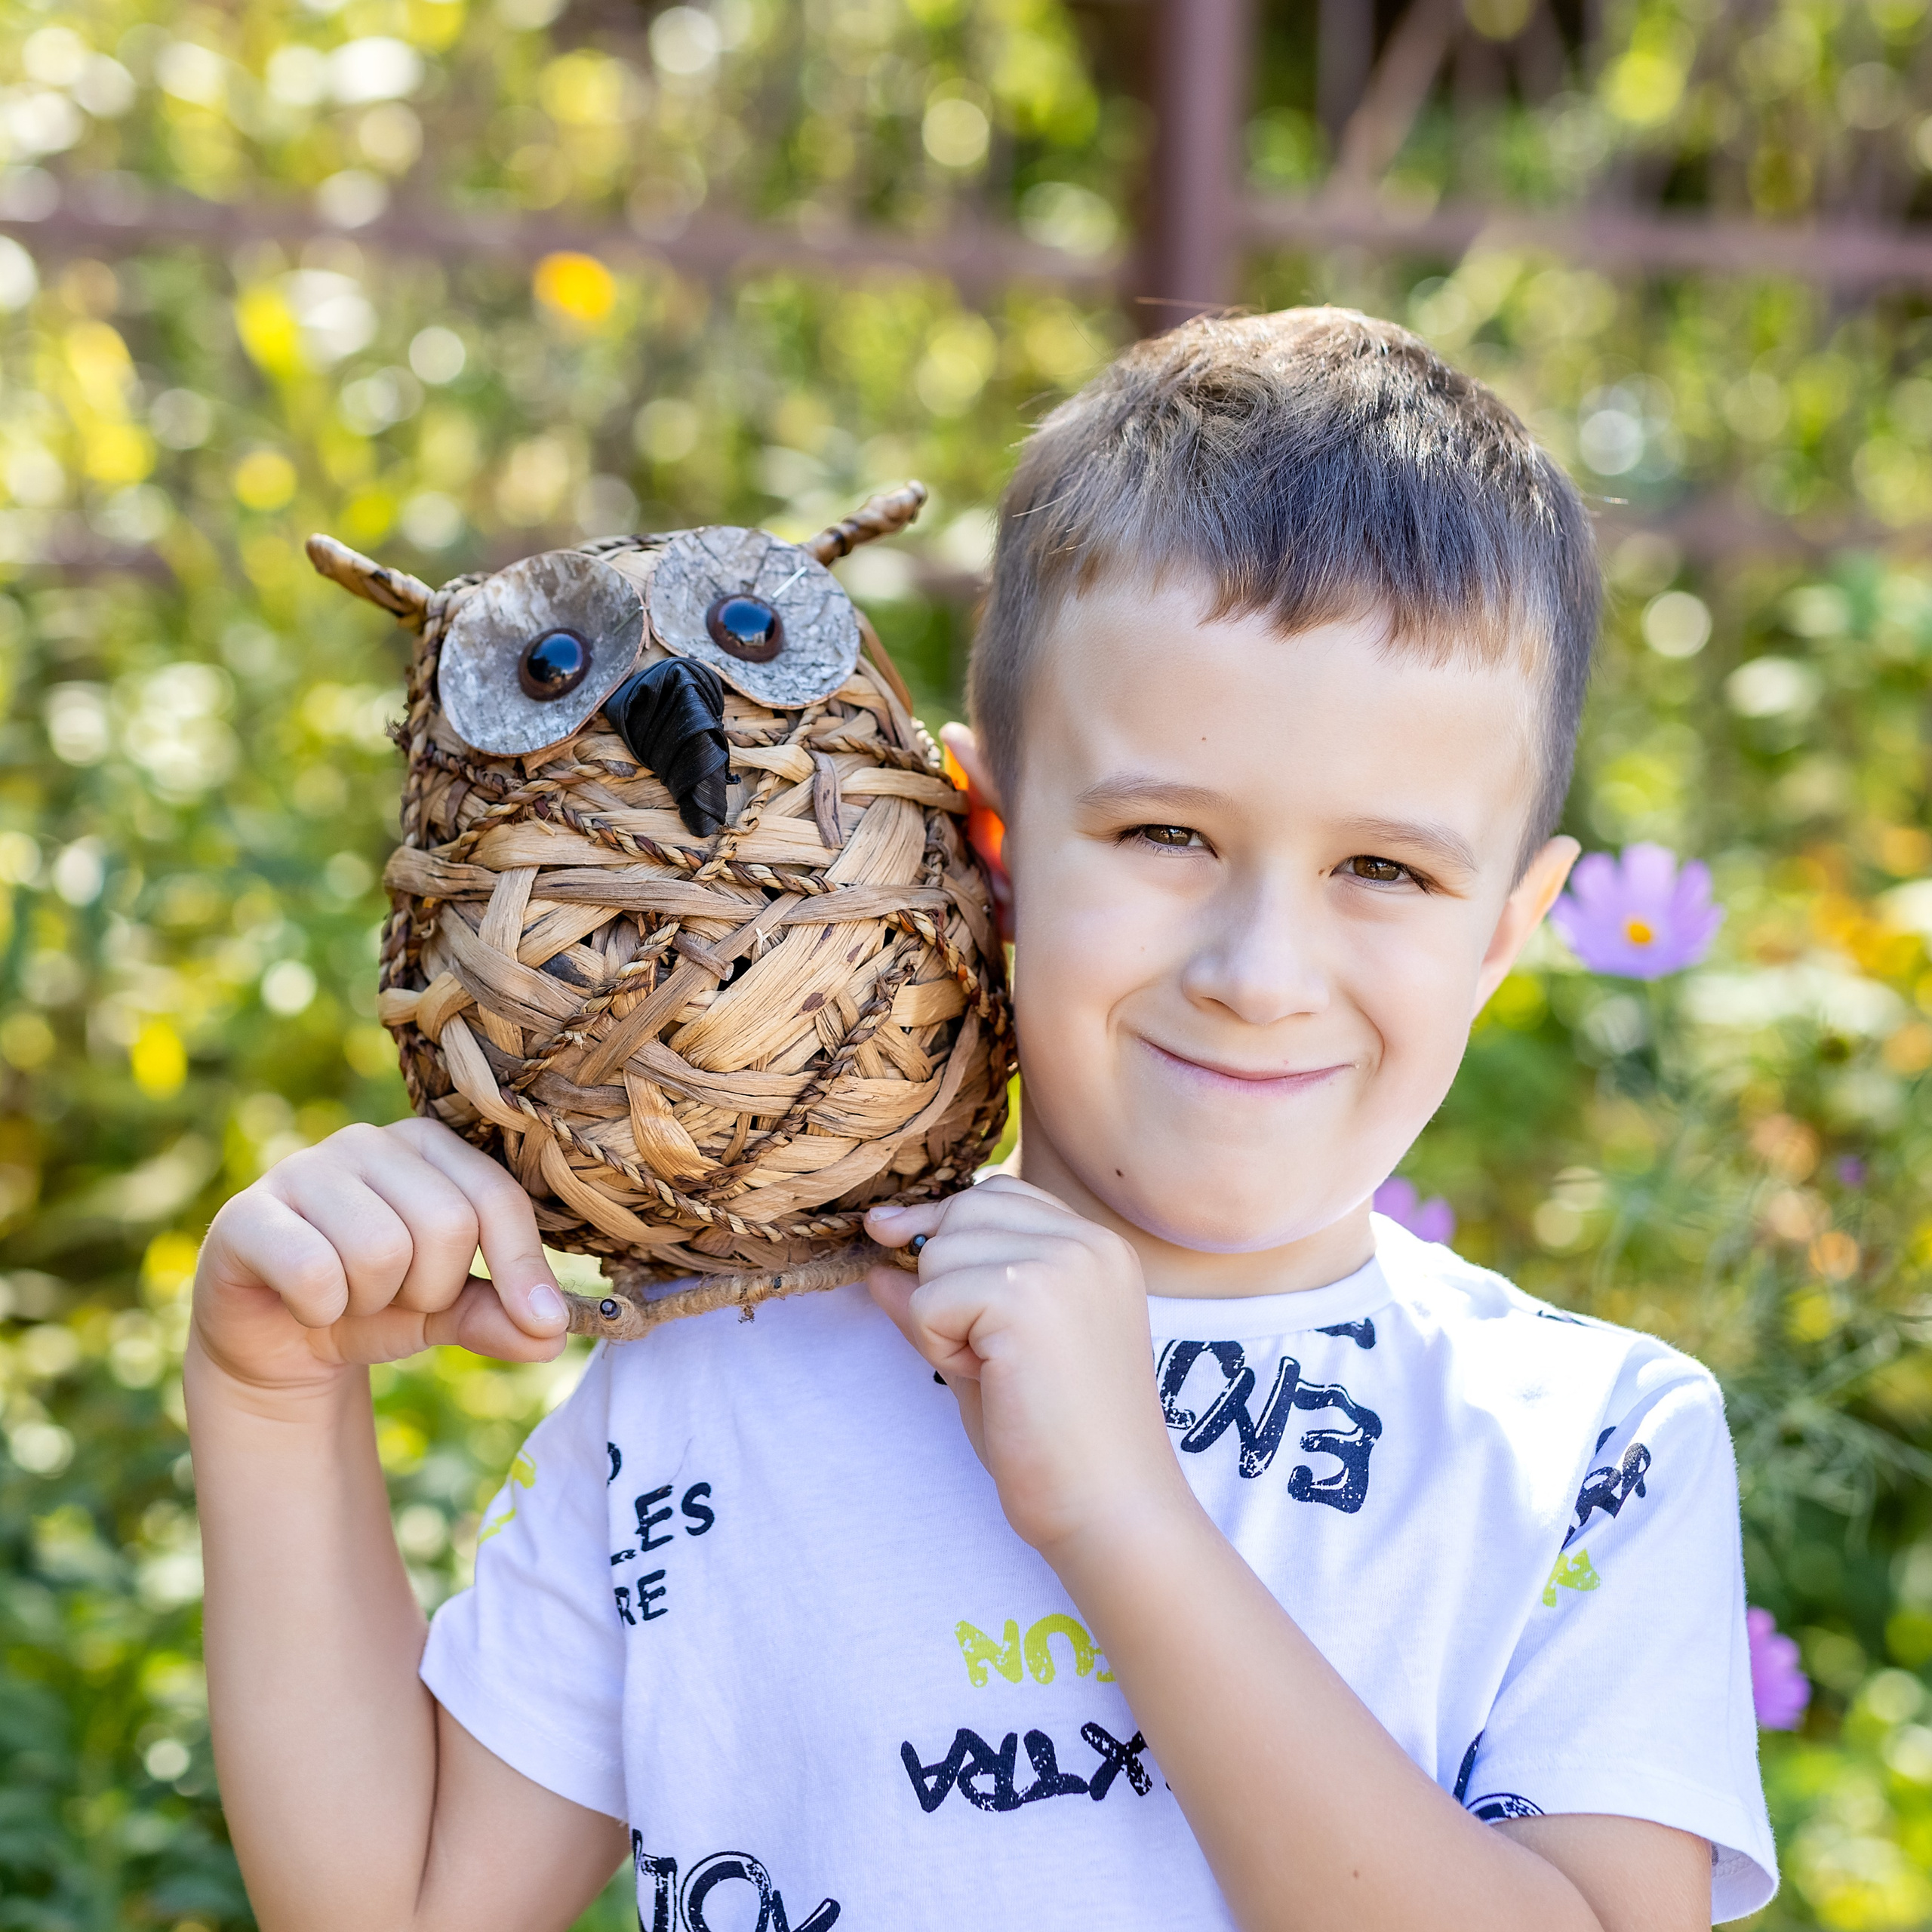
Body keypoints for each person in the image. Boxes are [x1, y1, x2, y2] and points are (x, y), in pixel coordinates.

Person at [187, 308, 1776, 1932]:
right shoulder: (715, 1371)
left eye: (1385, 869)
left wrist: (1118, 1509)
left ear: (1503, 927)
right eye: (1164, 831)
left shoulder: (1587, 1443)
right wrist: (268, 1393)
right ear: (989, 837)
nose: (1257, 971)